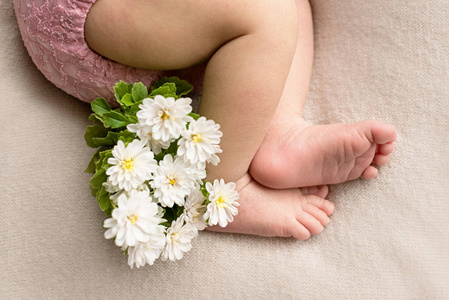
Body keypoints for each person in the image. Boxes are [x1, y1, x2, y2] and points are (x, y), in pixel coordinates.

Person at [16, 0, 396, 240]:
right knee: (267, 12)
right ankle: (222, 186)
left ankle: (279, 129)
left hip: (156, 29)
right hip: (87, 17)